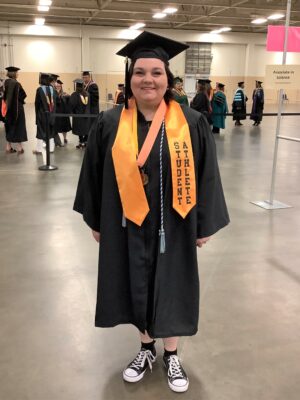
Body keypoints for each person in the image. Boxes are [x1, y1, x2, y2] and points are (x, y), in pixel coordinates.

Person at [74, 31, 229, 393]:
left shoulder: (190, 123)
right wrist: (97, 220)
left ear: (168, 79)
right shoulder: (110, 123)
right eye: (140, 72)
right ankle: (145, 347)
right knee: (133, 284)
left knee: (172, 284)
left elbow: (208, 174)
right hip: (126, 222)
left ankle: (171, 354)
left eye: (156, 72)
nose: (148, 79)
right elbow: (93, 174)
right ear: (130, 79)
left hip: (174, 224)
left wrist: (203, 223)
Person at [3, 66, 28, 154]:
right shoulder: (16, 83)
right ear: (14, 74)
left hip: (7, 109)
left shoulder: (5, 82)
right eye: (17, 72)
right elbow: (23, 95)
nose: (18, 74)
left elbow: (4, 96)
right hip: (17, 108)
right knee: (19, 127)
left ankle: (8, 147)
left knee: (9, 126)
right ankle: (20, 148)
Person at [33, 72, 56, 154]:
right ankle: (51, 149)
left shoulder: (39, 90)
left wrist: (37, 115)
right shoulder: (52, 89)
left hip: (42, 114)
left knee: (40, 131)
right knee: (50, 130)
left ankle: (39, 149)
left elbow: (37, 104)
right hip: (51, 114)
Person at [70, 79, 90, 148]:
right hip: (87, 115)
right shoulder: (87, 94)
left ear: (77, 86)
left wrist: (72, 111)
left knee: (79, 130)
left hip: (78, 115)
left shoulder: (75, 94)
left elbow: (72, 104)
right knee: (86, 128)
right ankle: (85, 142)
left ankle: (81, 142)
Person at [54, 79, 72, 144]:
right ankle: (56, 140)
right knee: (57, 127)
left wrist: (68, 96)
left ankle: (65, 138)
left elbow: (69, 101)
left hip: (64, 113)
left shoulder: (64, 94)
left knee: (65, 126)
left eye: (59, 86)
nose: (58, 87)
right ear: (55, 87)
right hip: (57, 113)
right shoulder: (53, 93)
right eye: (57, 86)